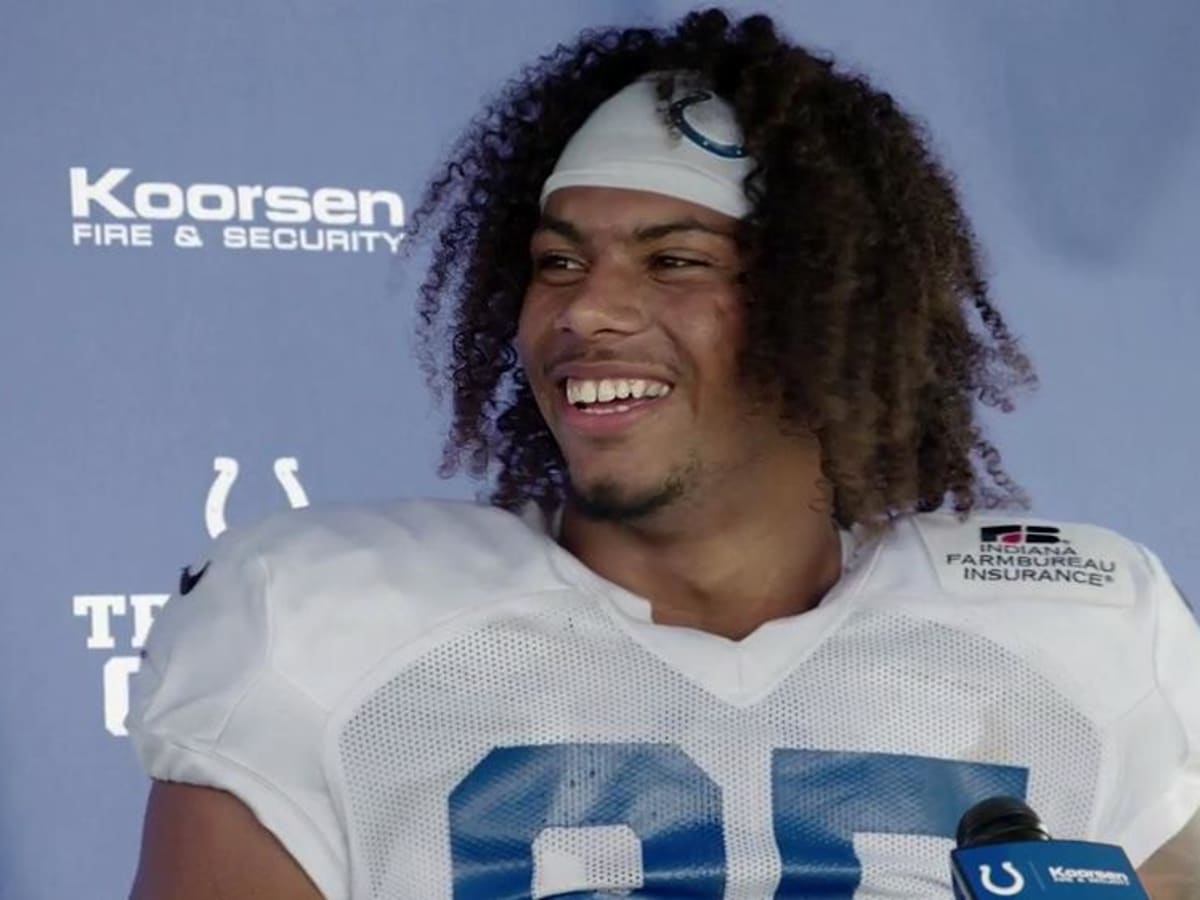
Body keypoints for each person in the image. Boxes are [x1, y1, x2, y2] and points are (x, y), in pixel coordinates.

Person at [127, 8, 1199, 899]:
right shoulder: (315, 626)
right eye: (557, 261)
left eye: (675, 260)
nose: (587, 309)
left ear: (832, 307)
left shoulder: (1081, 633)